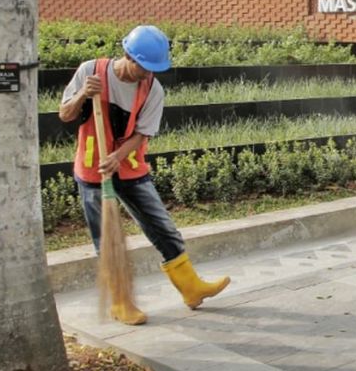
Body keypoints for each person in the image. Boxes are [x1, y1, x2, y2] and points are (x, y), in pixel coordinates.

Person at [59, 25, 231, 325]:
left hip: (129, 167)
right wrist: (83, 95)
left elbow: (142, 134)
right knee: (107, 239)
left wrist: (117, 157)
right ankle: (120, 302)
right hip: (93, 170)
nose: (147, 74)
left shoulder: (153, 89)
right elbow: (65, 114)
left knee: (163, 228)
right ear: (128, 55)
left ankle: (191, 288)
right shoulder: (92, 71)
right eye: (144, 66)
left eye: (154, 68)